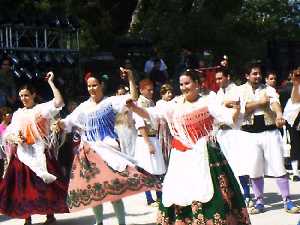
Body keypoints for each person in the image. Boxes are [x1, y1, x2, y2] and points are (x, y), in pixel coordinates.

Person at [127, 69, 251, 224]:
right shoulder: (174, 104)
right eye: (181, 84)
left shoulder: (207, 102)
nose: (184, 87)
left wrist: (237, 109)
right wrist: (133, 107)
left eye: (187, 83)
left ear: (197, 84)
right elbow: (152, 114)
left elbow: (228, 118)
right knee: (180, 194)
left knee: (209, 194)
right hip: (181, 157)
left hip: (206, 155)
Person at [57, 68, 160, 225]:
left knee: (114, 193)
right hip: (89, 153)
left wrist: (131, 78)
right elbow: (68, 121)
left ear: (101, 85)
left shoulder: (110, 101)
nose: (92, 89)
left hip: (108, 151)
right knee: (95, 192)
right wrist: (58, 124)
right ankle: (99, 222)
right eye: (89, 86)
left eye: (95, 85)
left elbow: (132, 98)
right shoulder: (83, 107)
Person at [0, 72, 68, 225]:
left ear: (33, 95)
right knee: (22, 187)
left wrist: (51, 82)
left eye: (26, 95)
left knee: (45, 186)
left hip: (40, 152)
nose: (23, 98)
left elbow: (58, 102)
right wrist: (15, 138)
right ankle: (26, 217)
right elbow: (8, 133)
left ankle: (50, 216)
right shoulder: (17, 114)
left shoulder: (41, 109)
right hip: (23, 154)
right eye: (21, 96)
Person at [239, 63, 299, 214]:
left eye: (259, 73)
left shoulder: (268, 89)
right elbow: (239, 107)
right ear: (247, 76)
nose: (257, 76)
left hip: (269, 132)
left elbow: (275, 103)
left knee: (279, 165)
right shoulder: (239, 90)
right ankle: (259, 201)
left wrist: (279, 115)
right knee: (254, 168)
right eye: (254, 74)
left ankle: (287, 200)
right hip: (249, 134)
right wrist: (258, 103)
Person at [215, 67, 254, 208]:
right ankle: (231, 196)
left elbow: (240, 109)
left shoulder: (237, 90)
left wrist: (228, 104)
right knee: (226, 166)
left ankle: (246, 194)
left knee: (240, 164)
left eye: (220, 78)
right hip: (221, 133)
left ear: (228, 77)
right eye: (216, 79)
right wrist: (225, 104)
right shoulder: (218, 94)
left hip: (234, 131)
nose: (218, 81)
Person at [134, 79, 166, 206]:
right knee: (147, 169)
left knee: (157, 168)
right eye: (149, 90)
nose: (152, 92)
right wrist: (148, 143)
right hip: (145, 138)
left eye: (152, 89)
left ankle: (159, 195)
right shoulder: (140, 104)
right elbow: (140, 124)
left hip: (153, 136)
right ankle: (149, 198)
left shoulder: (151, 102)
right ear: (141, 90)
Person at [283, 68, 300, 181]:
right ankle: (295, 172)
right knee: (295, 145)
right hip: (294, 120)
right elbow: (294, 101)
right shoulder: (291, 87)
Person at [156, 83, 174, 167]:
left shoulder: (171, 103)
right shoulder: (160, 103)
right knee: (163, 146)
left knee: (169, 146)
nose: (170, 95)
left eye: (171, 92)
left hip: (169, 128)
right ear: (162, 94)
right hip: (162, 128)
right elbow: (163, 115)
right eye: (168, 93)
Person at [0, 107, 12, 179]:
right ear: (3, 116)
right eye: (8, 114)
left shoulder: (12, 126)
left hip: (13, 152)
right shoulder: (0, 128)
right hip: (4, 155)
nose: (10, 116)